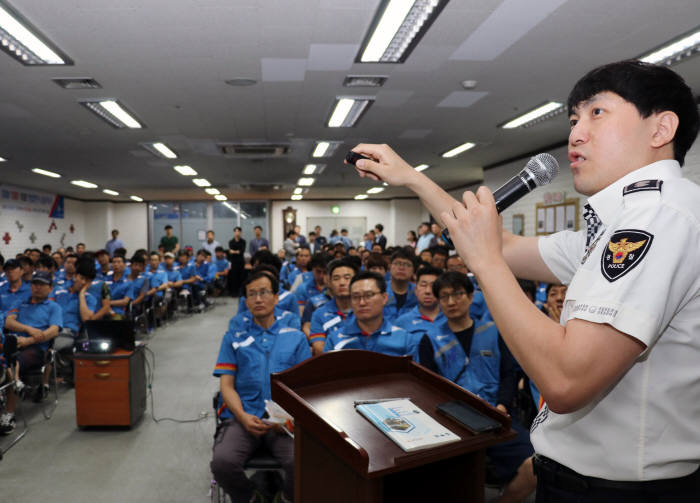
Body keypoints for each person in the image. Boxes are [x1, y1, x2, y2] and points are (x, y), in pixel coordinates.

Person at [348, 60, 700, 500]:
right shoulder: (627, 220)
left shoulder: (657, 218)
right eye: (573, 118)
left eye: (597, 113)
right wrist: (412, 178)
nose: (575, 133)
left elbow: (567, 381)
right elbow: (504, 246)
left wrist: (485, 263)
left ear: (661, 128)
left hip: (621, 490)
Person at [418, 272, 533, 503]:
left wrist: (502, 405)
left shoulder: (493, 331)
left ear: (471, 297)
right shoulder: (430, 339)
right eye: (445, 296)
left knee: (537, 462)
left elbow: (508, 375)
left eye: (458, 294)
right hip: (454, 422)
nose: (451, 302)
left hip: (496, 415)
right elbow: (428, 387)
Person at [210, 271, 310, 503]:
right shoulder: (233, 336)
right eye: (251, 294)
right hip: (243, 417)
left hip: (285, 422)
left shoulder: (295, 337)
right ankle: (250, 498)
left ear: (276, 298)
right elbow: (226, 385)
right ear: (245, 301)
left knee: (303, 463)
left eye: (264, 293)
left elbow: (304, 387)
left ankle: (285, 497)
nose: (257, 299)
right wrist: (243, 417)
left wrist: (288, 419)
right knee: (222, 463)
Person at [1, 271, 63, 433]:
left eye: (42, 284)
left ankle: (9, 414)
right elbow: (9, 322)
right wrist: (29, 329)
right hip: (14, 343)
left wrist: (28, 340)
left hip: (37, 349)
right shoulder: (21, 302)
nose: (37, 287)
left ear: (50, 288)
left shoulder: (53, 307)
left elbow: (53, 331)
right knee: (8, 356)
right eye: (35, 283)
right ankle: (16, 383)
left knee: (13, 362)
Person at [324, 271, 413, 357]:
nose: (362, 303)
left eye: (369, 295)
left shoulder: (404, 339)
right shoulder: (334, 339)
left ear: (384, 298)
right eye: (355, 297)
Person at [308, 258, 357, 356]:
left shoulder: (365, 309)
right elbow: (319, 349)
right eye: (336, 278)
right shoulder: (319, 314)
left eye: (347, 278)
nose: (342, 283)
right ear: (329, 283)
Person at [395, 265, 445, 346]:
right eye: (423, 285)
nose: (428, 291)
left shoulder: (450, 318)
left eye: (433, 286)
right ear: (416, 290)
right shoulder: (402, 322)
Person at [383, 247, 418, 322]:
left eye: (407, 265)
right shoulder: (380, 289)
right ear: (390, 267)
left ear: (413, 271)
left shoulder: (418, 292)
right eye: (397, 263)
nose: (401, 268)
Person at [227, 227, 246, 297]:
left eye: (238, 231)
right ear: (234, 232)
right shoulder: (231, 241)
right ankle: (234, 292)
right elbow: (230, 252)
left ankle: (241, 292)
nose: (237, 233)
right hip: (233, 261)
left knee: (241, 277)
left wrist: (234, 251)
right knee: (234, 277)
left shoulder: (243, 241)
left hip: (241, 261)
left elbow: (241, 251)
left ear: (240, 233)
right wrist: (237, 251)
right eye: (236, 231)